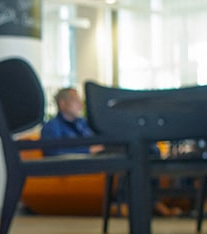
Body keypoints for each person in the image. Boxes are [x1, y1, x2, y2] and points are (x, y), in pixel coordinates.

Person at [40, 87, 182, 216]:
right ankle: (125, 202)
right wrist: (87, 149)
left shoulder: (85, 124)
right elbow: (51, 153)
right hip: (84, 159)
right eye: (76, 101)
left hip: (101, 153)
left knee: (147, 148)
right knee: (126, 154)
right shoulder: (52, 127)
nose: (81, 105)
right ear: (62, 103)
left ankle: (153, 201)